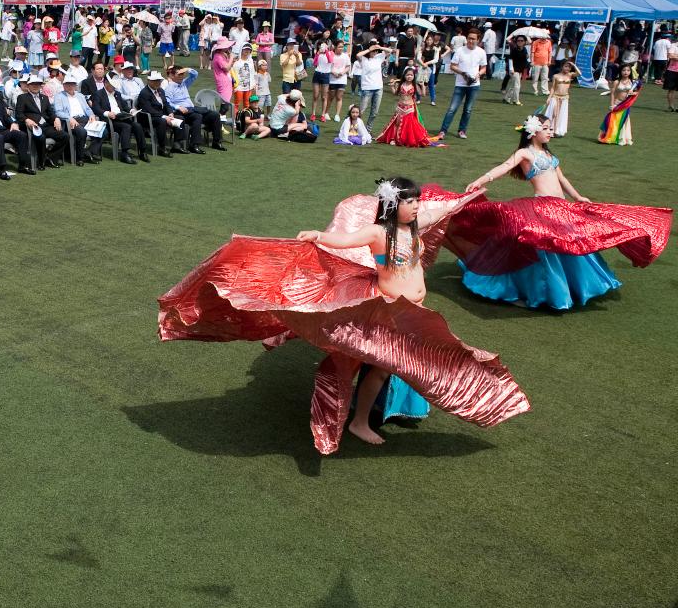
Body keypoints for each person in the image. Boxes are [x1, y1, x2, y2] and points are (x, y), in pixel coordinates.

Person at [159, 178, 531, 451]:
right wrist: (317, 235)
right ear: (392, 206)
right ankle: (358, 421)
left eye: (418, 202)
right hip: (384, 311)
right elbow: (342, 242)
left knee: (398, 363)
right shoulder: (378, 233)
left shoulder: (416, 226)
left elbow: (443, 208)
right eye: (410, 202)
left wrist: (469, 195)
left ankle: (375, 413)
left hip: (411, 310)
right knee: (378, 364)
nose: (417, 206)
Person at [457, 114, 671, 310]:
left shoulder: (549, 154)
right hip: (542, 206)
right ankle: (541, 292)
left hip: (561, 207)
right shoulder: (524, 153)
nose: (551, 132)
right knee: (548, 248)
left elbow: (562, 179)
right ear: (534, 132)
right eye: (547, 128)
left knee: (574, 241)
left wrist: (578, 197)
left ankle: (574, 287)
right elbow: (503, 167)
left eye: (550, 129)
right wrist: (480, 180)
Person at [437, 29, 487, 139]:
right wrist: (463, 73)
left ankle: (462, 131)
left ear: (478, 40)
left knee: (468, 109)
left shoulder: (481, 52)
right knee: (452, 109)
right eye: (469, 38)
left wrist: (478, 74)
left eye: (473, 39)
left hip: (474, 85)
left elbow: (484, 68)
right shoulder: (460, 50)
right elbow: (452, 65)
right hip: (460, 84)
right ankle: (442, 131)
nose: (470, 40)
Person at [89, 73, 148, 164]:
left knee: (137, 126)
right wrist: (107, 113)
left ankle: (143, 151)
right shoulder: (98, 94)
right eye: (112, 85)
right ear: (106, 83)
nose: (114, 87)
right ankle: (125, 153)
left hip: (121, 117)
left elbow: (124, 106)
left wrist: (131, 110)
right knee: (126, 127)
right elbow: (96, 108)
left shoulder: (117, 94)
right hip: (109, 121)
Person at [164, 65, 223, 152]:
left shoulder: (184, 83)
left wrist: (187, 69)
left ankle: (216, 142)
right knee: (197, 116)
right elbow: (167, 102)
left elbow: (195, 74)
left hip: (191, 109)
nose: (181, 76)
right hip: (180, 112)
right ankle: (194, 145)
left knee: (215, 115)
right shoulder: (170, 88)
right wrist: (178, 107)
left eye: (182, 74)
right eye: (178, 74)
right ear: (172, 76)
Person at [14, 74, 66, 170]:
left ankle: (49, 157)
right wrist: (26, 119)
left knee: (64, 136)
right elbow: (19, 114)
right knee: (40, 137)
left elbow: (50, 113)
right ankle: (41, 161)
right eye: (33, 84)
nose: (35, 86)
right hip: (33, 126)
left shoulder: (44, 98)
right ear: (28, 85)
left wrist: (56, 118)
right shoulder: (22, 97)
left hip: (46, 125)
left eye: (38, 84)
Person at [376, 66, 434, 148]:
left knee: (409, 125)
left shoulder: (415, 85)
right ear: (404, 76)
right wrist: (392, 86)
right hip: (400, 107)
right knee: (397, 124)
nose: (409, 76)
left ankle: (405, 139)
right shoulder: (401, 84)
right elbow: (395, 94)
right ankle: (394, 139)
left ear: (414, 76)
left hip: (410, 108)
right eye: (407, 75)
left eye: (411, 75)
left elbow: (422, 94)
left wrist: (423, 86)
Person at [52, 77, 93, 165]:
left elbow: (87, 108)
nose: (70, 86)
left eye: (72, 84)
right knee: (82, 132)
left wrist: (91, 115)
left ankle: (89, 152)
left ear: (75, 85)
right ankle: (80, 158)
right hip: (71, 120)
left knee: (104, 131)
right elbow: (58, 112)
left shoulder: (80, 95)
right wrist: (69, 118)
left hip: (84, 119)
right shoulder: (59, 96)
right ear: (63, 85)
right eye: (68, 84)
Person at [598, 63, 640, 146]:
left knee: (624, 121)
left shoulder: (632, 82)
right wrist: (612, 105)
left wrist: (633, 93)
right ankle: (611, 137)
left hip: (626, 104)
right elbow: (612, 94)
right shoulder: (616, 82)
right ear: (620, 71)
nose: (626, 72)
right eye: (624, 70)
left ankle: (622, 138)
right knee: (613, 121)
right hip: (617, 104)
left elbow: (635, 91)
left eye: (628, 70)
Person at [541, 59, 580, 137]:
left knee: (562, 115)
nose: (567, 69)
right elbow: (553, 88)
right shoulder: (556, 76)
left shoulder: (570, 75)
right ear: (562, 67)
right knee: (554, 113)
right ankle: (551, 130)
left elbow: (579, 73)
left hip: (565, 98)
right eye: (566, 66)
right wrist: (549, 97)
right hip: (555, 97)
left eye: (569, 67)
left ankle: (558, 130)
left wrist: (573, 65)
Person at [502, 35, 528, 106]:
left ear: (525, 42)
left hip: (520, 70)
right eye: (518, 40)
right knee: (517, 85)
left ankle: (507, 98)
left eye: (521, 41)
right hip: (514, 70)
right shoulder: (514, 49)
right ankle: (516, 100)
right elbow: (510, 59)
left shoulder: (524, 49)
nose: (519, 42)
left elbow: (525, 58)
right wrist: (511, 69)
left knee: (513, 85)